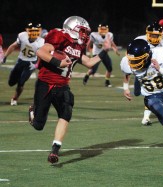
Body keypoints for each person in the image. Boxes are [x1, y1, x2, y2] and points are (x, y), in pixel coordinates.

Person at [28, 16, 111, 164]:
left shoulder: (78, 46)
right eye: (82, 31)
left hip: (63, 86)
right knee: (38, 125)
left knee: (66, 113)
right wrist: (59, 62)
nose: (84, 35)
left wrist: (104, 51)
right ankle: (33, 111)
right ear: (72, 28)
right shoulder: (59, 35)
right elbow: (41, 52)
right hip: (45, 83)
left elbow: (89, 62)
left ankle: (55, 150)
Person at [120, 39, 163, 157]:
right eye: (132, 60)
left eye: (137, 60)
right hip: (150, 95)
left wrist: (160, 69)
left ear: (147, 56)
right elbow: (127, 74)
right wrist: (126, 88)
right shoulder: (127, 62)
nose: (133, 64)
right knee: (156, 106)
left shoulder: (161, 55)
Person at [135, 21, 163, 126]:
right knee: (137, 93)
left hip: (155, 71)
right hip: (141, 71)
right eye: (152, 35)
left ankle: (146, 118)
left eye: (156, 35)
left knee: (152, 93)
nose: (154, 37)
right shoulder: (140, 40)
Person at [1, 23, 44, 106]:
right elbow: (13, 46)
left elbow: (41, 56)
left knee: (21, 82)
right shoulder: (22, 36)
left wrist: (36, 65)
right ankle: (17, 81)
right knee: (11, 82)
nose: (34, 35)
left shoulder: (41, 42)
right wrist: (5, 56)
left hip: (30, 64)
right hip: (20, 61)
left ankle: (14, 99)